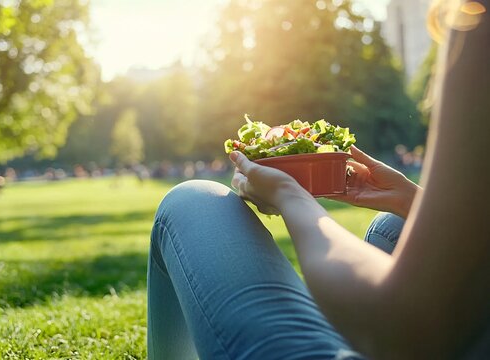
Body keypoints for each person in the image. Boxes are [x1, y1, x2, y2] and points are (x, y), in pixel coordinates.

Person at [147, 1, 490, 359]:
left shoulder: (475, 16)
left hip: (406, 334)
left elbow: (405, 328)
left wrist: (291, 197)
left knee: (193, 201)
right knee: (392, 225)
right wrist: (409, 199)